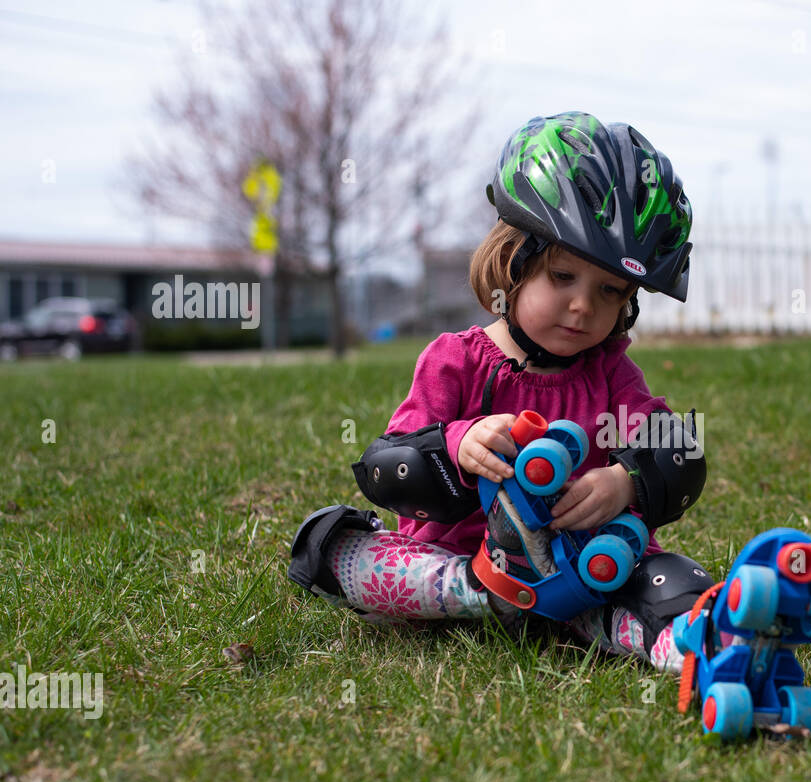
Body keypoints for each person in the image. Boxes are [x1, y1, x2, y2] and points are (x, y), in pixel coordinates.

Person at [287, 111, 712, 673]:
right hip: (455, 565)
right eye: (562, 278)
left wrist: (624, 483)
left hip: (580, 572)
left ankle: (699, 648)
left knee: (673, 587)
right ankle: (486, 592)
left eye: (609, 291)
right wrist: (459, 444)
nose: (584, 306)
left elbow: (677, 451)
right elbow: (388, 465)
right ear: (513, 260)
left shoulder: (611, 373)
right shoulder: (456, 360)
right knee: (330, 543)